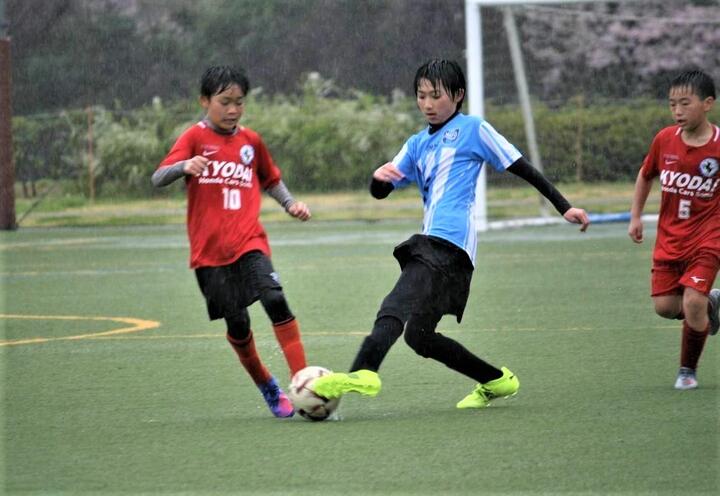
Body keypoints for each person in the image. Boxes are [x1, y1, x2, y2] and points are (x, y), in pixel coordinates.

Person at [313, 59, 590, 409]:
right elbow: (382, 190)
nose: (427, 104)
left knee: (396, 301)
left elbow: (523, 168)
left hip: (448, 243)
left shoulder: (473, 129)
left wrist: (563, 206)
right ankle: (496, 381)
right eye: (421, 96)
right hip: (443, 250)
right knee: (419, 336)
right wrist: (377, 179)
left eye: (436, 96)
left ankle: (365, 371)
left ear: (458, 95)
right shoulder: (416, 144)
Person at [151, 65, 311, 417]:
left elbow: (270, 179)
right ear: (205, 101)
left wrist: (291, 203)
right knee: (238, 324)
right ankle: (268, 387)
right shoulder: (194, 138)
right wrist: (184, 166)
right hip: (209, 255)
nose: (234, 110)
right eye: (225, 102)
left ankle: (303, 382)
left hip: (249, 242)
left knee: (275, 298)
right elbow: (158, 176)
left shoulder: (251, 141)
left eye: (239, 102)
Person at [628, 69, 720, 391]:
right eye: (672, 105)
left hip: (710, 237)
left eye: (685, 103)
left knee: (692, 301)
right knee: (666, 308)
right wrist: (635, 216)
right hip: (670, 239)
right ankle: (712, 305)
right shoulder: (664, 139)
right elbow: (645, 175)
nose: (677, 111)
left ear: (707, 103)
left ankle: (687, 371)